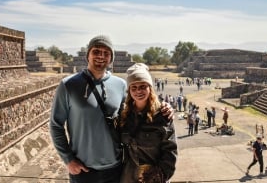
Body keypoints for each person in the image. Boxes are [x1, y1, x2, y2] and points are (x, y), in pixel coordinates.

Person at [49, 35, 174, 183]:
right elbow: (56, 125)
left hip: (116, 169)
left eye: (106, 53)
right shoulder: (69, 85)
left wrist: (164, 106)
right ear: (87, 55)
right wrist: (68, 159)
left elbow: (137, 107)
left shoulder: (120, 85)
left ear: (111, 58)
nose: (101, 56)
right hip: (83, 169)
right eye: (96, 51)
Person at [119, 63, 177, 183]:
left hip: (153, 178)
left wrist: (159, 175)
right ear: (129, 90)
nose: (138, 91)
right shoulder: (124, 115)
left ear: (150, 88)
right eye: (133, 87)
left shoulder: (162, 115)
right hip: (129, 177)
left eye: (143, 86)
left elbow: (170, 152)